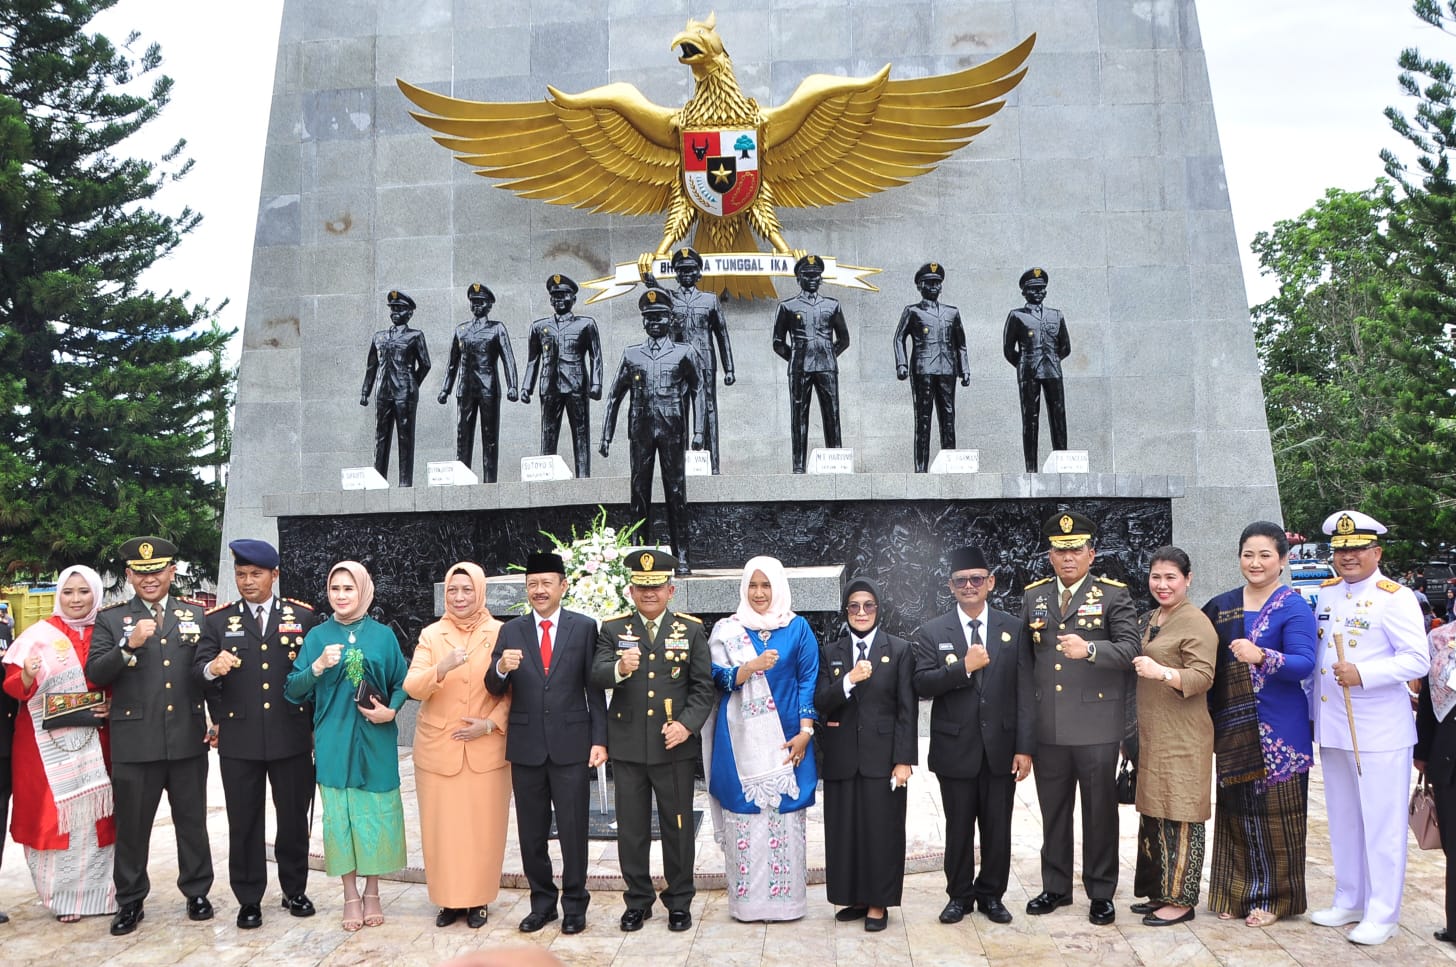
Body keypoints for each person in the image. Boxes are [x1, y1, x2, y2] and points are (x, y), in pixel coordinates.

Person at [1309, 510, 1429, 946]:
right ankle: (1350, 898)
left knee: (1381, 824)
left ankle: (1383, 912)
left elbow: (1418, 659)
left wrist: (1364, 672)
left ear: (1376, 552)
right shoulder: (1326, 595)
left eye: (1357, 549)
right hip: (1335, 726)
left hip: (1378, 731)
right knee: (1343, 820)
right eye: (1341, 550)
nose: (1348, 557)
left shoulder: (1394, 598)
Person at [86, 535, 215, 936]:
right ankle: (129, 901)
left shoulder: (196, 614)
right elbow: (96, 673)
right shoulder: (111, 619)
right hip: (135, 741)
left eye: (157, 571)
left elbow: (206, 673)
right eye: (141, 573)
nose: (150, 579)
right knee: (133, 826)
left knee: (192, 821)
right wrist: (129, 645)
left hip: (186, 737)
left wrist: (218, 718)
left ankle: (196, 892)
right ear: (129, 575)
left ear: (172, 572)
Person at [1019, 511, 1138, 925]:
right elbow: (1027, 664)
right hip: (1049, 727)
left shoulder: (1112, 595)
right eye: (1059, 551)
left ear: (1092, 553)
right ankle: (1055, 886)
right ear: (1049, 556)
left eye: (1075, 550)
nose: (1067, 558)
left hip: (1096, 728)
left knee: (1099, 812)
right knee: (1053, 812)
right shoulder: (1034, 596)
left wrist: (1090, 650)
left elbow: (1129, 651)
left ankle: (1101, 891)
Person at [195, 539, 321, 929]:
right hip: (240, 739)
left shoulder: (303, 618)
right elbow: (197, 672)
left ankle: (294, 889)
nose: (247, 582)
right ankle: (248, 898)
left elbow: (313, 680)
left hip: (291, 736)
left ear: (274, 575)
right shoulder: (218, 621)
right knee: (245, 821)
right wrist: (212, 668)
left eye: (256, 574)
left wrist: (316, 730)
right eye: (241, 574)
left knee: (293, 819)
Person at [590, 550, 714, 933]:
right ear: (630, 590)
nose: (649, 594)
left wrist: (687, 726)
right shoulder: (613, 629)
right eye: (642, 588)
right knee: (632, 828)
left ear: (670, 589)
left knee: (677, 827)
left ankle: (679, 900)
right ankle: (638, 900)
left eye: (656, 587)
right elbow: (595, 675)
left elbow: (702, 687)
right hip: (628, 746)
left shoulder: (690, 630)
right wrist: (618, 669)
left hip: (673, 747)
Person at [1201, 521, 1317, 927]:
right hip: (1232, 727)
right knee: (1235, 814)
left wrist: (1262, 656)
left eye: (1265, 555)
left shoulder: (1293, 607)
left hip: (1279, 732)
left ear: (1283, 561)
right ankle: (1235, 892)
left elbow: (1305, 663)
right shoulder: (1222, 605)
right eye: (1248, 554)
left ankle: (1274, 900)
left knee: (1277, 819)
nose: (1255, 562)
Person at [486, 551, 607, 935]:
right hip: (526, 747)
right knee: (531, 832)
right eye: (533, 584)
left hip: (572, 744)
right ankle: (542, 903)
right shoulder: (511, 631)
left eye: (546, 583)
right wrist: (502, 666)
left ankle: (575, 904)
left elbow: (595, 690)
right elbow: (492, 685)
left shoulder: (585, 627)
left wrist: (599, 740)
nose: (539, 591)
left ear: (563, 586)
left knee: (573, 830)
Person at [283, 561, 408, 932]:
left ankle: (373, 891)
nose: (341, 595)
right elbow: (293, 691)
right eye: (335, 588)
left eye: (348, 588)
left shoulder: (383, 636)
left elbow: (403, 681)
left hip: (376, 740)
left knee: (374, 817)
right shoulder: (318, 636)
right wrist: (317, 667)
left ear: (364, 591)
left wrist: (392, 710)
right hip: (334, 741)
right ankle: (350, 895)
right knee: (341, 820)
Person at [912, 546, 1033, 926]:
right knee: (959, 827)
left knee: (998, 828)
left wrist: (1025, 748)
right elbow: (921, 684)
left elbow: (1026, 692)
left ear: (990, 583)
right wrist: (962, 668)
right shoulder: (933, 631)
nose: (969, 586)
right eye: (961, 581)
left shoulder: (1014, 628)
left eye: (976, 579)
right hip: (955, 749)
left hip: (1001, 748)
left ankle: (991, 895)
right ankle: (959, 895)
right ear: (951, 586)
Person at [705, 555, 819, 921]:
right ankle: (747, 905)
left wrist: (805, 732)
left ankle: (788, 905)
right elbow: (717, 679)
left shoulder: (797, 628)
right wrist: (748, 667)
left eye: (766, 585)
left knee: (784, 819)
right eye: (752, 585)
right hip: (741, 743)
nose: (758, 593)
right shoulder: (728, 629)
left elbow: (808, 682)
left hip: (788, 737)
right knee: (746, 818)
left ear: (779, 587)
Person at [1, 565, 117, 922]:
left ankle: (104, 896)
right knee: (54, 820)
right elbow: (11, 688)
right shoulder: (37, 636)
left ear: (95, 594)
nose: (76, 599)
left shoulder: (109, 632)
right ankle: (62, 900)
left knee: (101, 820)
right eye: (68, 592)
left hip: (100, 741)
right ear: (58, 595)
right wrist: (28, 674)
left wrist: (112, 702)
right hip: (44, 749)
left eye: (84, 592)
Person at [404, 561, 512, 930]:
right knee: (443, 830)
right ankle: (448, 901)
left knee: (483, 828)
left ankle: (479, 898)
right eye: (453, 590)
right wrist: (442, 667)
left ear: (480, 592)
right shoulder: (432, 635)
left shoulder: (501, 633)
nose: (460, 597)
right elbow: (412, 686)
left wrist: (489, 724)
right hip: (439, 749)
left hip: (486, 750)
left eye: (467, 589)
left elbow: (514, 693)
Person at [817, 578, 916, 931]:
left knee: (881, 831)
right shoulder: (832, 652)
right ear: (846, 612)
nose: (861, 612)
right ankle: (855, 896)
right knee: (846, 831)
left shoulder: (900, 650)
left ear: (878, 609)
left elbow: (907, 709)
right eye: (854, 606)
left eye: (868, 605)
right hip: (843, 758)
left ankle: (878, 902)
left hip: (883, 758)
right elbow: (821, 703)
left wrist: (904, 760)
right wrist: (849, 681)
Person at [1127, 547, 1217, 926]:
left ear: (1188, 579)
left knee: (1180, 814)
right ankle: (1159, 891)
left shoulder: (1196, 622)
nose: (1162, 585)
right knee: (1155, 812)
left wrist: (1160, 672)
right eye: (1156, 577)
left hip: (1183, 736)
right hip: (1153, 733)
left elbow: (1202, 677)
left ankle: (1182, 899)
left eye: (1171, 578)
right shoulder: (1152, 617)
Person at [599, 289, 705, 572]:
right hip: (641, 429)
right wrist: (606, 435)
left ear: (670, 319)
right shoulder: (632, 354)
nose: (654, 323)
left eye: (659, 317)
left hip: (673, 429)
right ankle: (638, 555)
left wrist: (699, 431)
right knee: (639, 492)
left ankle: (682, 555)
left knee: (675, 492)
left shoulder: (684, 352)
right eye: (649, 318)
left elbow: (699, 390)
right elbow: (614, 395)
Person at [648, 247, 735, 474]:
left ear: (699, 274)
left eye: (691, 270)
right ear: (676, 274)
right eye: (682, 270)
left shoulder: (710, 300)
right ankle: (681, 465)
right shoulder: (670, 298)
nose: (686, 274)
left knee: (708, 409)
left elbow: (722, 334)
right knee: (679, 410)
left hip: (705, 361)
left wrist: (729, 368)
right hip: (678, 363)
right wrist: (648, 278)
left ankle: (713, 466)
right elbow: (653, 291)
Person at [772, 255, 850, 473]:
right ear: (799, 278)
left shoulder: (832, 305)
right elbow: (778, 343)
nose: (813, 279)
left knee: (832, 414)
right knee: (799, 417)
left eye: (816, 275)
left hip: (826, 366)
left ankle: (837, 462)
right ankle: (798, 466)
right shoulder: (788, 307)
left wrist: (828, 355)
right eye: (808, 275)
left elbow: (844, 339)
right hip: (799, 368)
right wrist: (797, 356)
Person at [437, 282, 519, 483]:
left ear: (489, 305)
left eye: (480, 302)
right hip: (465, 389)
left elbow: (508, 358)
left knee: (489, 437)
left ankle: (490, 481)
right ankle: (462, 480)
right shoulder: (461, 330)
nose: (476, 306)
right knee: (462, 436)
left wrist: (513, 386)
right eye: (473, 302)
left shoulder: (497, 328)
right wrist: (445, 389)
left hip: (488, 388)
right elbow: (451, 364)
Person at [522, 274, 603, 478]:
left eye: (563, 295)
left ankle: (583, 476)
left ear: (573, 299)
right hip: (549, 386)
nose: (559, 299)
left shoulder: (586, 324)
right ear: (550, 300)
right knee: (548, 432)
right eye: (555, 296)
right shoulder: (539, 327)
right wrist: (526, 387)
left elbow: (596, 356)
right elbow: (533, 360)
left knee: (581, 433)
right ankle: (545, 476)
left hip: (576, 385)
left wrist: (596, 384)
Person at [893, 262, 969, 473]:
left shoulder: (951, 312)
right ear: (920, 286)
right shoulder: (913, 311)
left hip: (947, 369)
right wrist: (901, 363)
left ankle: (951, 464)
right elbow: (899, 338)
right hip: (923, 368)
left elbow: (960, 343)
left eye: (937, 283)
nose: (934, 287)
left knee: (948, 416)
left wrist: (965, 369)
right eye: (930, 283)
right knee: (923, 419)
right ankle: (921, 469)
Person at [360, 289, 432, 487]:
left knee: (405, 438)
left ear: (409, 313)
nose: (395, 312)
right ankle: (378, 481)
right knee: (380, 436)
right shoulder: (379, 337)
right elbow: (371, 366)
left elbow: (425, 364)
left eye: (399, 309)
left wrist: (412, 384)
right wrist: (365, 391)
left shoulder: (415, 336)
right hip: (383, 392)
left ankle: (404, 483)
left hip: (405, 393)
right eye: (392, 308)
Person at [1002, 267, 1071, 472]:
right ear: (1024, 292)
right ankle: (1031, 468)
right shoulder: (1017, 316)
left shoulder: (1056, 316)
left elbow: (1065, 347)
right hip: (1029, 372)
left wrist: (1052, 361)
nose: (1038, 292)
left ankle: (1062, 462)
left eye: (1041, 289)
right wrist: (1024, 363)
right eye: (1033, 289)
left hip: (1052, 371)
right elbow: (1008, 349)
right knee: (1030, 419)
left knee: (1058, 415)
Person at [1416, 619, 1456, 947]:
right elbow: (1429, 700)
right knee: (1455, 846)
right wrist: (1423, 751)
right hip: (1449, 757)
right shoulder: (1442, 639)